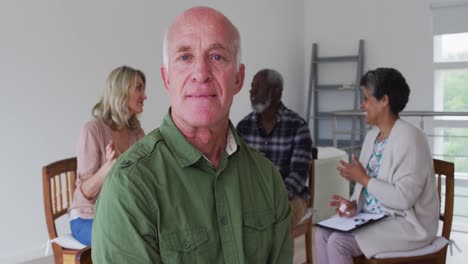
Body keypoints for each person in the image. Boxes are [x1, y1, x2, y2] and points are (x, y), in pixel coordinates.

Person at [91, 6, 292, 263]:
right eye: (185, 57)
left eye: (217, 57)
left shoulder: (267, 178)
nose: (201, 73)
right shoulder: (130, 187)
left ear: (239, 78)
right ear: (167, 80)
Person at [314, 68, 439, 263]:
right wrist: (355, 205)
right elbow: (368, 190)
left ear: (384, 100)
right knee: (321, 233)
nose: (362, 105)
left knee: (339, 242)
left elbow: (402, 199)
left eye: (366, 98)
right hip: (373, 218)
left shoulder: (412, 138)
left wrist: (362, 178)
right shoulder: (372, 136)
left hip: (406, 224)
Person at [68, 65, 147, 246]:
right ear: (121, 91)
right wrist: (108, 169)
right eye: (138, 88)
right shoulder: (92, 130)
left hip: (120, 213)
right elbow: (85, 192)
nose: (144, 96)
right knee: (128, 242)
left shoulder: (136, 132)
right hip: (87, 218)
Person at [237, 69, 313, 225]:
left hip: (291, 197)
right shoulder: (244, 127)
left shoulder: (297, 126)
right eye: (252, 86)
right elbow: (238, 169)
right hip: (254, 197)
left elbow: (299, 174)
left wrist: (272, 197)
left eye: (258, 86)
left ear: (276, 92)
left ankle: (275, 250)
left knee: (273, 220)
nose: (252, 91)